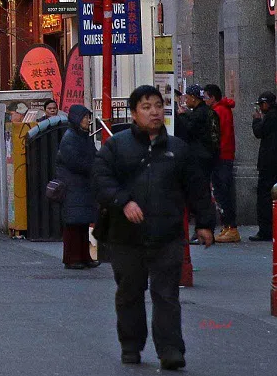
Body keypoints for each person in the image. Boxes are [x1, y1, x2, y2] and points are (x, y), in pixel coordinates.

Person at [93, 85, 215, 370]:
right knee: (130, 293)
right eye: (146, 107)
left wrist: (205, 224)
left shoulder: (178, 149)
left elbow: (196, 187)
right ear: (134, 113)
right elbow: (100, 179)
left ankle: (171, 349)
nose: (154, 112)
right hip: (126, 236)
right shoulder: (116, 146)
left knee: (167, 295)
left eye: (158, 105)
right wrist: (123, 202)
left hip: (167, 234)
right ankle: (131, 346)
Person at [55, 104, 98, 269]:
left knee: (82, 222)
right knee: (73, 224)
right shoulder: (70, 138)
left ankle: (84, 256)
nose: (88, 120)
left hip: (82, 186)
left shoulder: (82, 136)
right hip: (73, 186)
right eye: (85, 117)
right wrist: (93, 166)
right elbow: (75, 162)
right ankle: (72, 258)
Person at [251, 90, 277, 241]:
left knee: (265, 195)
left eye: (261, 104)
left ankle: (265, 230)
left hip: (269, 162)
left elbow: (259, 132)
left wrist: (256, 120)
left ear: (266, 103)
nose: (260, 108)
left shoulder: (271, 117)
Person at [203, 85, 239, 242]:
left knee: (222, 191)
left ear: (212, 98)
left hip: (221, 156)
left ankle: (230, 227)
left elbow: (216, 136)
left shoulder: (218, 111)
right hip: (225, 154)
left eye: (205, 97)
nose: (204, 100)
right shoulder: (223, 109)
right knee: (223, 191)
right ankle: (228, 227)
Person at [174, 84, 219, 179]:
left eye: (187, 97)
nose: (186, 101)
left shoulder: (199, 113)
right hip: (210, 154)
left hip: (200, 156)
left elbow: (189, 129)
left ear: (193, 98)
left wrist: (182, 116)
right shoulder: (208, 111)